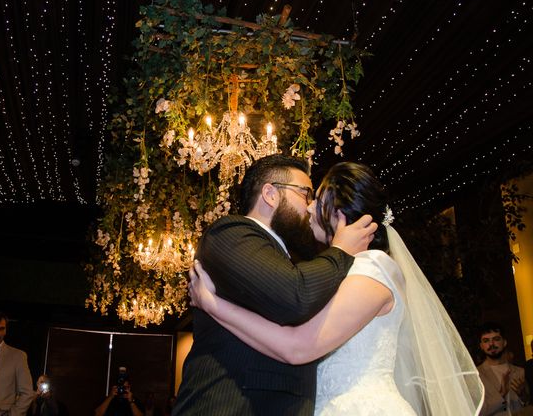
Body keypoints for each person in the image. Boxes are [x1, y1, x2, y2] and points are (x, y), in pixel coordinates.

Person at [189, 161, 485, 415]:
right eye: (307, 194)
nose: (309, 206)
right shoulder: (333, 270)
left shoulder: (375, 268)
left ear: (339, 212)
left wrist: (215, 306)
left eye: (316, 198)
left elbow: (297, 346)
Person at [172, 154, 377, 415]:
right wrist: (341, 250)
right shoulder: (231, 233)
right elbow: (295, 297)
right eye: (305, 193)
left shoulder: (292, 261)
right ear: (270, 194)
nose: (312, 206)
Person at [477, 322, 529, 415]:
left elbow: (527, 403)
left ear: (504, 342)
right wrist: (501, 395)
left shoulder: (519, 371)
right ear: (481, 346)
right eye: (486, 341)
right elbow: (477, 412)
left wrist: (523, 395)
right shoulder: (477, 375)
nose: (491, 344)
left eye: (496, 339)